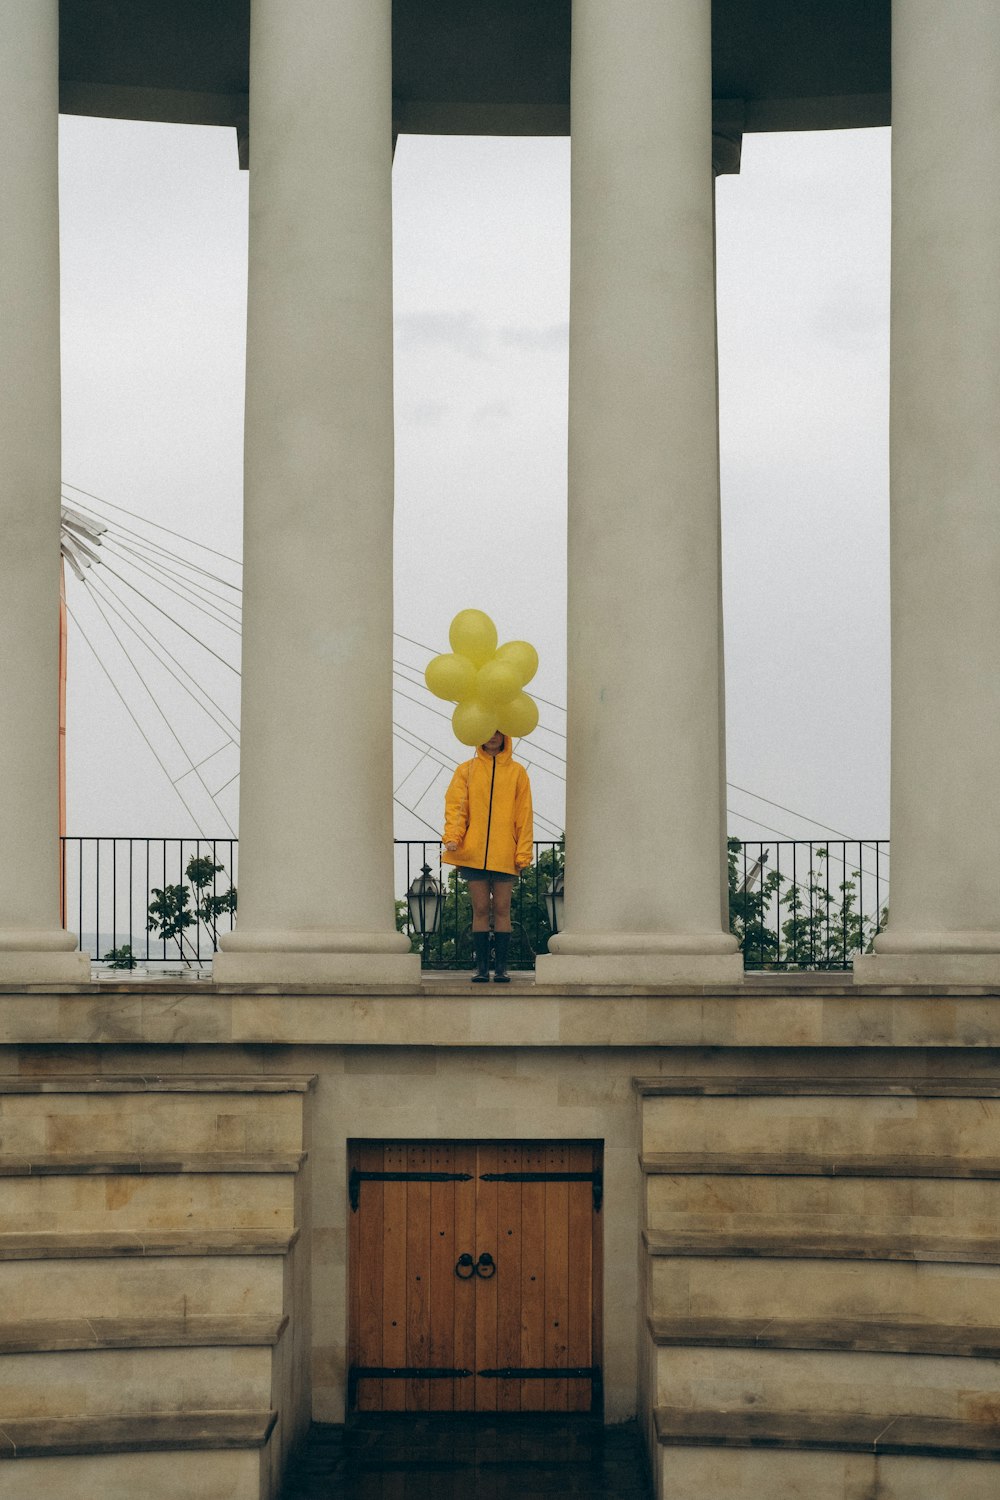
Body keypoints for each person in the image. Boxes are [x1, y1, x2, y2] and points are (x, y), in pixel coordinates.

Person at [442, 731, 533, 983]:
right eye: (487, 731)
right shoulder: (466, 770)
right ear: (479, 734)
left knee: (503, 909)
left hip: (505, 853)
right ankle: (481, 969)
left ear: (505, 737)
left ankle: (502, 969)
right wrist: (453, 836)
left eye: (498, 732)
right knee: (480, 908)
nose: (492, 737)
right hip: (474, 852)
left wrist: (523, 851)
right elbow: (457, 807)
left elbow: (524, 815)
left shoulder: (518, 772)